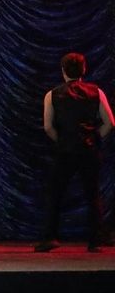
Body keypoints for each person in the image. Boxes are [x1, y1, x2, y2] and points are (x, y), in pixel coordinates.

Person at [35, 52, 114, 253]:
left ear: (62, 70)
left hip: (65, 150)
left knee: (55, 194)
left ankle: (51, 237)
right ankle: (96, 240)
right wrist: (95, 139)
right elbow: (110, 122)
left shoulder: (52, 95)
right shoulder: (97, 92)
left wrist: (62, 141)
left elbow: (47, 127)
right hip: (88, 149)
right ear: (84, 70)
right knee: (92, 194)